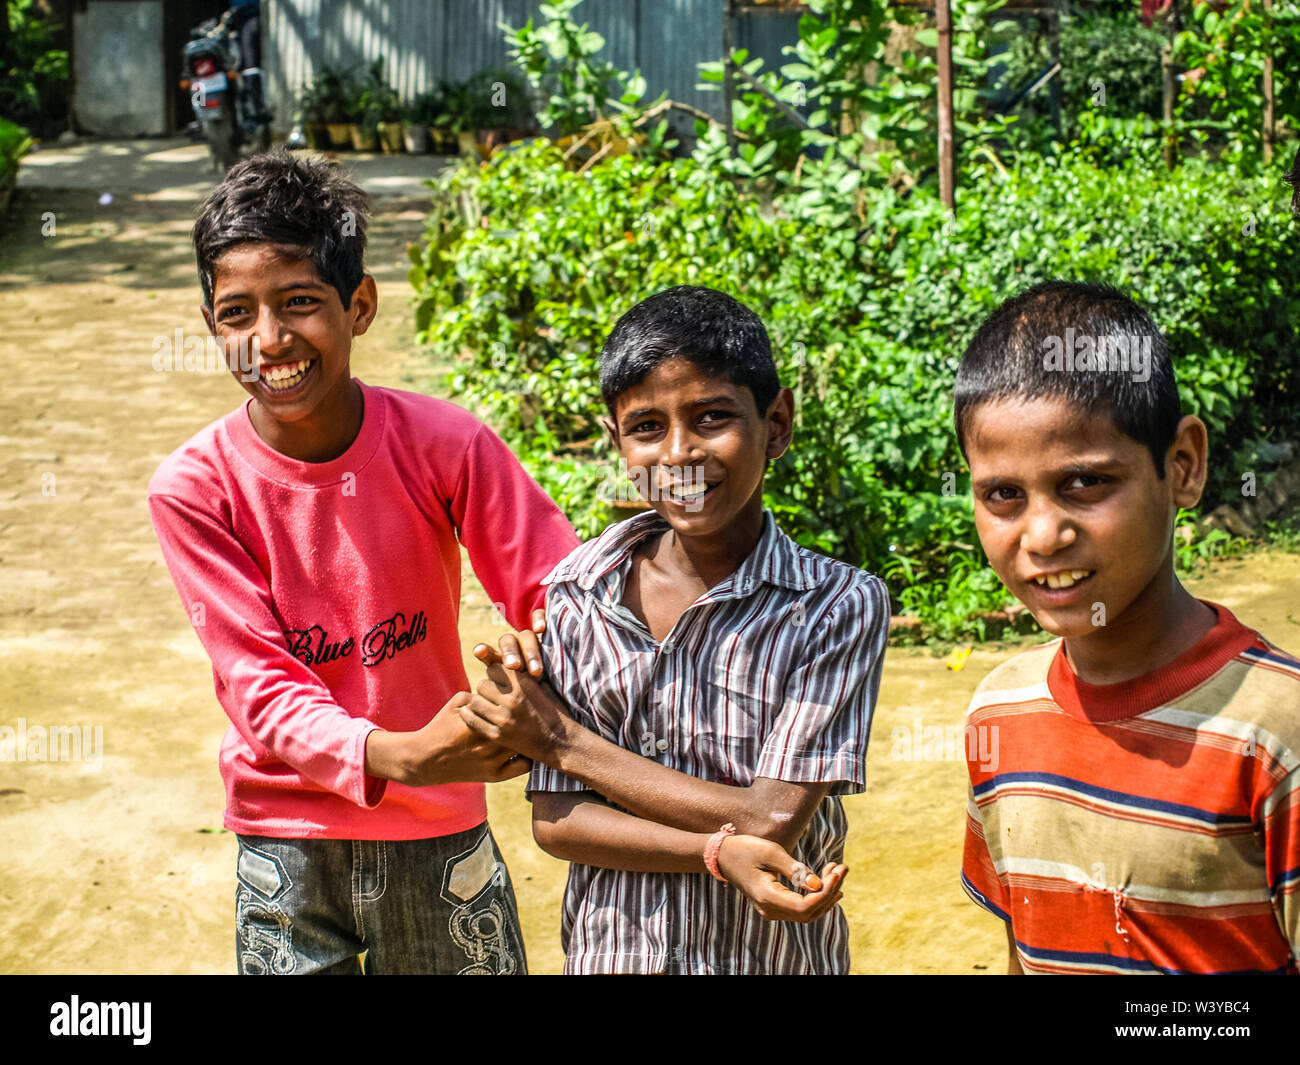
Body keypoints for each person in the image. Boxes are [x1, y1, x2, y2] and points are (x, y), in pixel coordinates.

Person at [147, 151, 578, 974]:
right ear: (210, 323)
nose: (269, 340)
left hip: (439, 831)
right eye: (237, 312)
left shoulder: (447, 445)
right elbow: (261, 685)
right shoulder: (195, 489)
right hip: (289, 847)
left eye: (300, 302)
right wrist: (403, 754)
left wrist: (533, 652)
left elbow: (563, 590)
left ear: (361, 305)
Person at [460, 285, 891, 974]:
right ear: (616, 441)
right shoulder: (579, 592)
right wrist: (711, 850)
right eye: (647, 427)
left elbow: (771, 819)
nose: (680, 452)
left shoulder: (835, 605)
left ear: (776, 423)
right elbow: (559, 821)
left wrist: (562, 740)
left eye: (712, 416)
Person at [953, 279, 1299, 974]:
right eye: (1003, 495)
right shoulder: (998, 711)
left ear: (1183, 465)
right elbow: (1024, 950)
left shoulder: (1279, 730)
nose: (1043, 535)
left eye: (1086, 483)